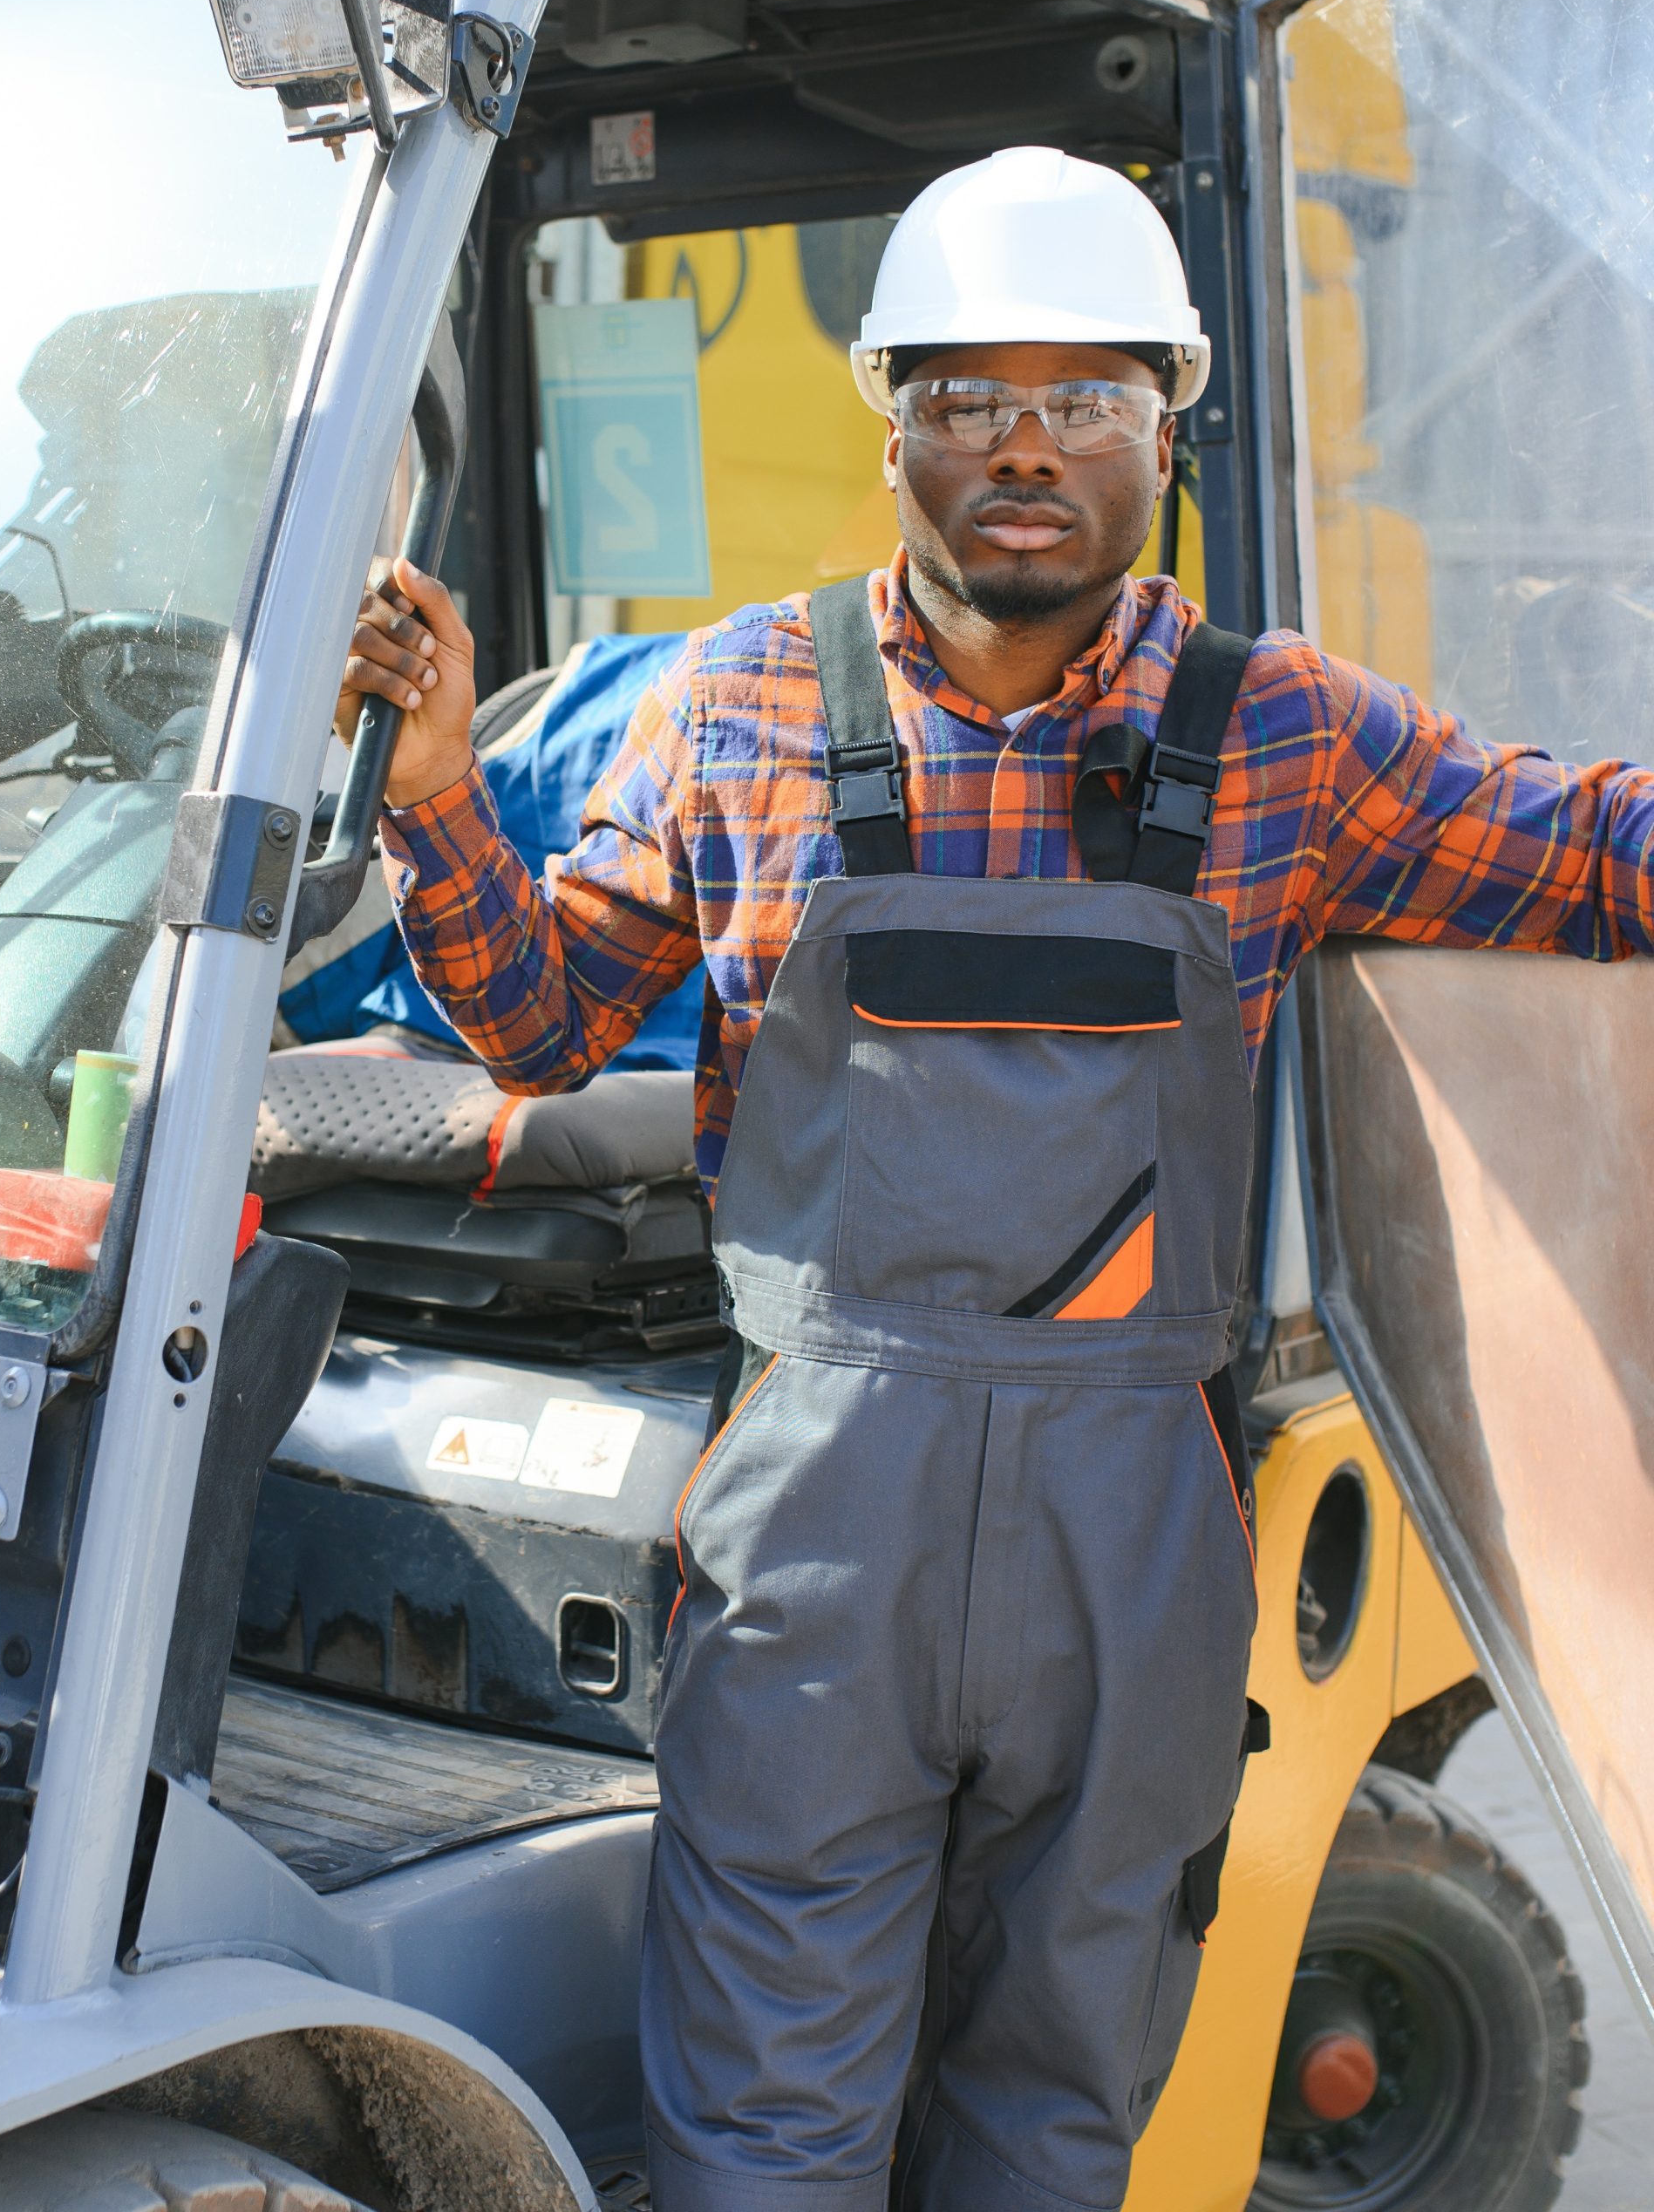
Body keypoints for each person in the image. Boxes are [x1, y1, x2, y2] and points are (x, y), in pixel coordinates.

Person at [333, 147, 1654, 2212]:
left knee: (1052, 2133)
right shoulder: (745, 699)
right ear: (893, 428)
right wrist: (434, 808)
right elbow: (540, 1023)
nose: (1022, 447)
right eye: (965, 400)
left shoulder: (1282, 734)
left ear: (1165, 424)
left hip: (1128, 1559)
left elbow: (1587, 857)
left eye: (1085, 400)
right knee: (761, 2145)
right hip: (816, 1561)